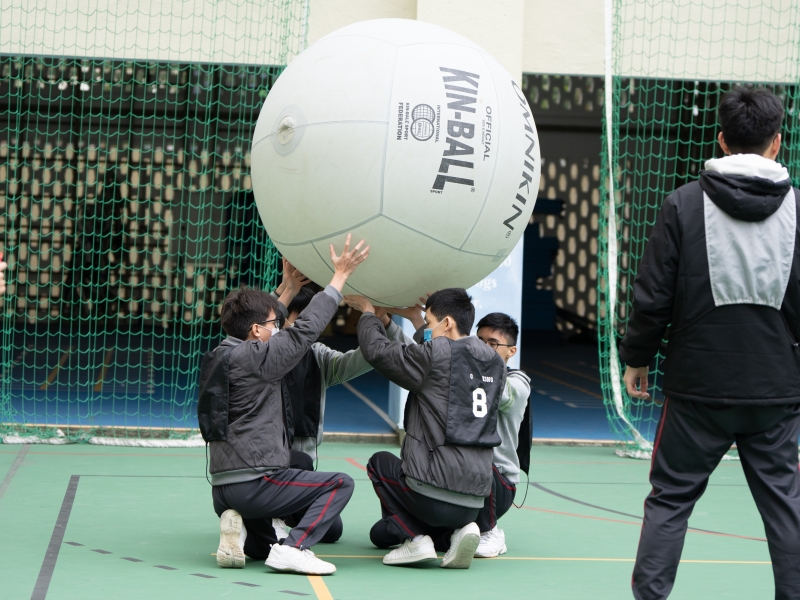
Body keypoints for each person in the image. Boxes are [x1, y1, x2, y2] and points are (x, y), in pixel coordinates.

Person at [620, 86, 800, 599]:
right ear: (777, 142)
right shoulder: (798, 209)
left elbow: (653, 295)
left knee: (670, 500)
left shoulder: (683, 203)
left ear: (721, 140)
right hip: (775, 388)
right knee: (785, 507)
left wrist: (637, 357)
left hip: (696, 388)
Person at [197, 234, 368, 576]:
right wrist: (338, 279)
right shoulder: (257, 358)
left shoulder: (220, 354)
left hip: (223, 488)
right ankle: (294, 548)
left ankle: (241, 527)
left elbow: (257, 322)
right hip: (255, 482)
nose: (279, 329)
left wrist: (287, 290)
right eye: (274, 325)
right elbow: (303, 332)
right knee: (339, 484)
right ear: (256, 330)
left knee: (263, 548)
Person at [345, 288, 506, 570]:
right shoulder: (494, 362)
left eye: (430, 323)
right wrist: (412, 319)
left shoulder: (436, 356)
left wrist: (368, 314)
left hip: (432, 492)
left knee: (379, 462)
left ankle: (415, 539)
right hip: (475, 498)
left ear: (447, 323)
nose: (428, 330)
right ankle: (460, 532)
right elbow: (439, 356)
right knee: (381, 534)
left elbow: (378, 352)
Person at [269, 282, 413, 544]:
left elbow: (363, 358)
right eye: (300, 320)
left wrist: (379, 323)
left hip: (299, 474)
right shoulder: (260, 354)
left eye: (312, 319)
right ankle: (261, 517)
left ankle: (274, 514)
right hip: (264, 467)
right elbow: (251, 328)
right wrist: (283, 290)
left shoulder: (318, 357)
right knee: (298, 461)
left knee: (331, 530)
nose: (308, 326)